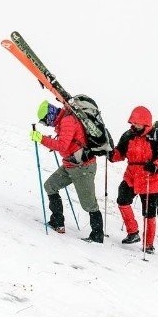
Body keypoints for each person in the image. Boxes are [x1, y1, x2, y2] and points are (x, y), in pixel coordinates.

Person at [29, 100, 103, 242]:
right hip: (71, 164)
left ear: (50, 115)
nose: (46, 124)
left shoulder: (68, 120)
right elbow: (68, 144)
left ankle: (97, 235)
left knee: (88, 204)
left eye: (45, 121)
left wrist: (41, 139)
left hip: (83, 167)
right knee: (50, 186)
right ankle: (57, 222)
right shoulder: (63, 121)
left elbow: (62, 146)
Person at [109, 106, 158, 254]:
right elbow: (120, 153)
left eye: (137, 123)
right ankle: (133, 232)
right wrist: (110, 154)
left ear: (146, 123)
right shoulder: (128, 135)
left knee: (149, 212)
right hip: (132, 176)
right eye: (133, 122)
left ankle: (148, 245)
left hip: (151, 179)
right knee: (122, 199)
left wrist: (155, 166)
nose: (134, 125)